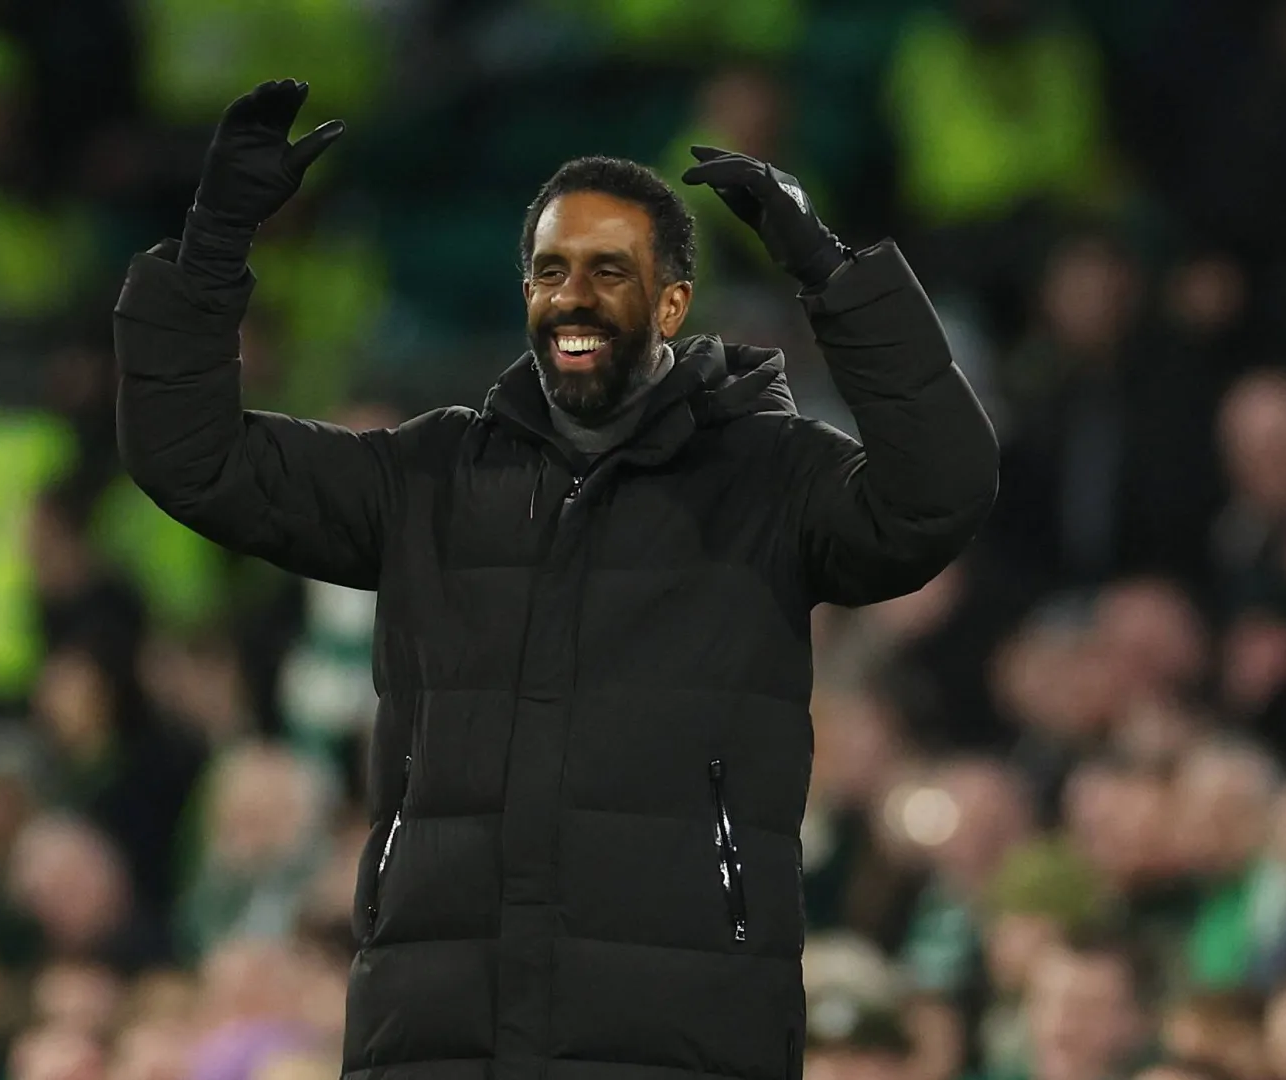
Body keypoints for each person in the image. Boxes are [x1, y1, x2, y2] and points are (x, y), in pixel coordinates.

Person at [114, 79, 998, 1080]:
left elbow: (939, 498)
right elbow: (192, 457)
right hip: (444, 1039)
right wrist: (216, 240)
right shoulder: (426, 478)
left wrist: (832, 277)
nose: (573, 296)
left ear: (672, 300)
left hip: (682, 1040)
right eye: (550, 270)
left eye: (609, 270)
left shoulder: (770, 480)